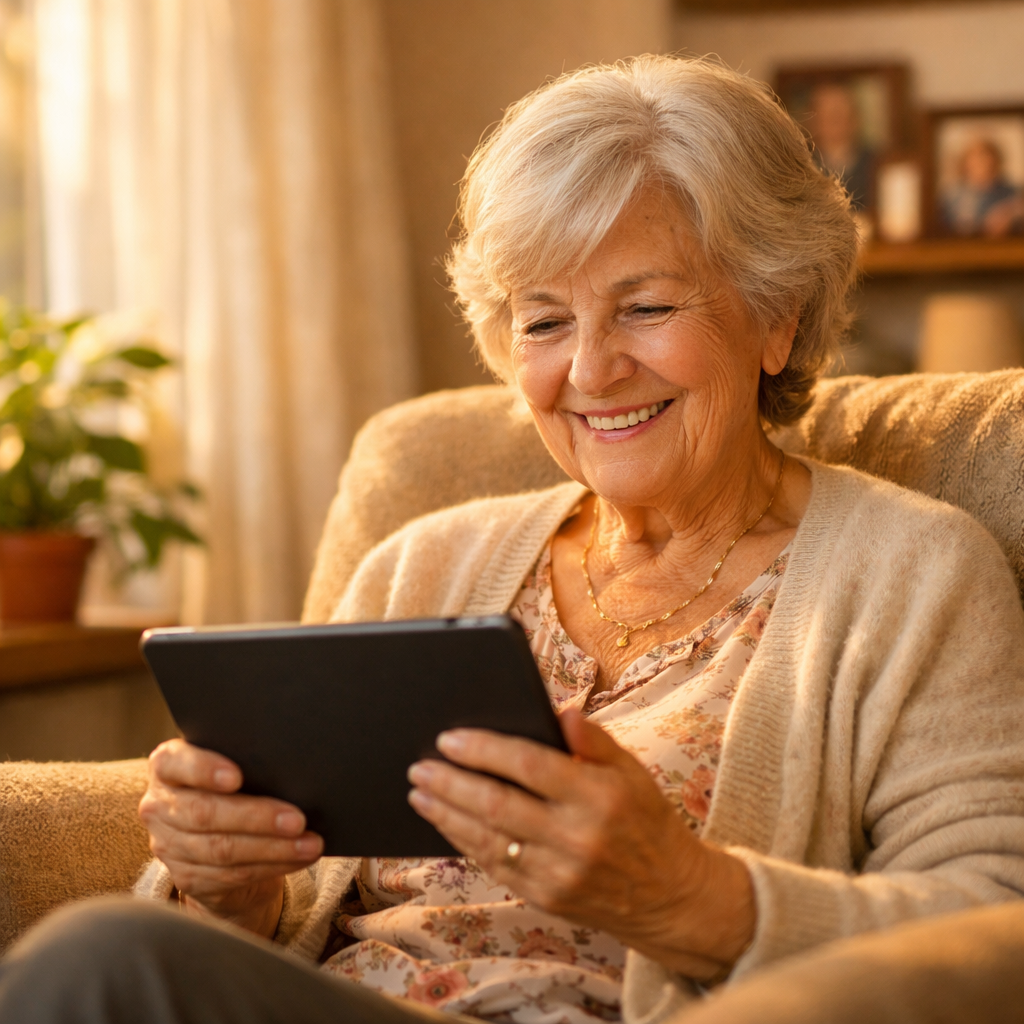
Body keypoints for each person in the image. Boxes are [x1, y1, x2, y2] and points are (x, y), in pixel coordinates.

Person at [1, 55, 1022, 1024]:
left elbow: (990, 923)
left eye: (647, 306)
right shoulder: (419, 562)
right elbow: (278, 928)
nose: (591, 368)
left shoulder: (914, 572)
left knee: (98, 958)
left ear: (777, 318)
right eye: (542, 323)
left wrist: (688, 897)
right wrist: (233, 889)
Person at [806, 80, 874, 211]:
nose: (835, 119)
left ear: (855, 118)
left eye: (840, 113)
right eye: (828, 114)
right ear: (814, 121)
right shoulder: (803, 167)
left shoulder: (875, 164)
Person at [941, 135, 1024, 237]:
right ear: (965, 162)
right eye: (976, 155)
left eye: (987, 154)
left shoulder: (1012, 193)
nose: (983, 161)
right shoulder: (952, 197)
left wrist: (1010, 214)